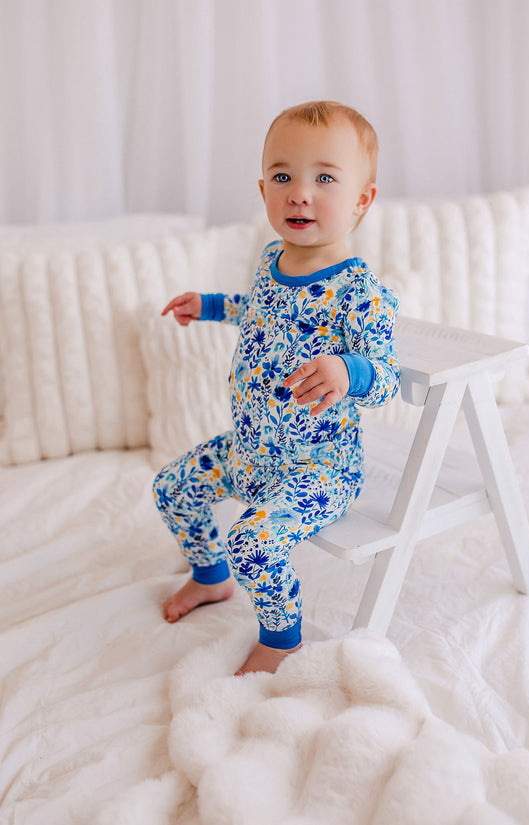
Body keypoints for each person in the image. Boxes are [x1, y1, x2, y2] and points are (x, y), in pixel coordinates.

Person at [153, 100, 400, 675]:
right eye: (283, 177)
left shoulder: (358, 291)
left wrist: (348, 370)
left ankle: (282, 638)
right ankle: (210, 579)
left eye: (324, 179)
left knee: (253, 541)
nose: (300, 193)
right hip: (251, 451)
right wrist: (211, 306)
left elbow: (384, 374)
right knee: (173, 487)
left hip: (317, 469)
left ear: (362, 200)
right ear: (263, 189)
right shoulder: (272, 261)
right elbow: (259, 312)